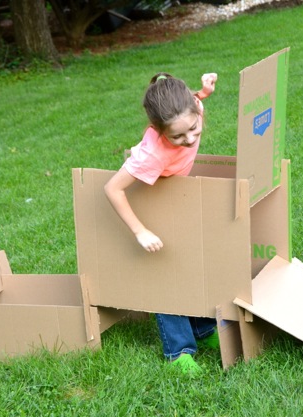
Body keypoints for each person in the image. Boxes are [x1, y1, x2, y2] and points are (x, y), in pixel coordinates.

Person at [104, 72, 219, 374]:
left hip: (173, 191)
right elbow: (112, 188)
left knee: (191, 262)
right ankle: (178, 351)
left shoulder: (191, 107)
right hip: (151, 194)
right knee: (167, 272)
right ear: (158, 130)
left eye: (194, 129)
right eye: (178, 137)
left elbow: (192, 100)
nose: (190, 139)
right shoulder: (153, 154)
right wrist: (140, 231)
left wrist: (204, 92)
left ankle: (204, 331)